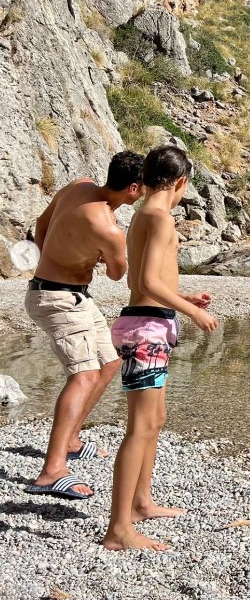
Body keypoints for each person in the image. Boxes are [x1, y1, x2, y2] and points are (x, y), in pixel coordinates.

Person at [103, 146, 218, 551]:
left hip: (149, 323)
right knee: (139, 428)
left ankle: (141, 501)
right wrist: (192, 312)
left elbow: (148, 282)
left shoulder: (144, 213)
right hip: (145, 329)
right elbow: (148, 283)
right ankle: (119, 530)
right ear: (182, 183)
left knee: (155, 420)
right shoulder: (160, 217)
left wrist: (183, 297)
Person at [24, 151, 145, 501]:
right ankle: (52, 471)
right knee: (83, 375)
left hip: (71, 295)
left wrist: (54, 257)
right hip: (57, 300)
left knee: (108, 362)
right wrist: (99, 255)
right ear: (133, 188)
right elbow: (117, 272)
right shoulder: (109, 227)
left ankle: (72, 440)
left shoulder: (77, 186)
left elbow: (41, 223)